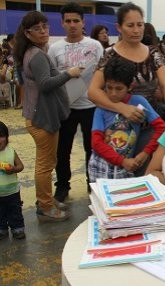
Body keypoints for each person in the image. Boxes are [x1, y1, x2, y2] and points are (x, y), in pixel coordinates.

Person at [88, 2, 165, 175]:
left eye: (140, 25)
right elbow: (93, 91)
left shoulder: (154, 53)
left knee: (145, 174)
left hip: (148, 126)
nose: (136, 30)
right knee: (113, 174)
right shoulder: (110, 54)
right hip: (113, 127)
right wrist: (122, 108)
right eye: (130, 25)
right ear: (119, 27)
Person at [13, 11, 82, 221]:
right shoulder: (37, 55)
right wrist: (68, 74)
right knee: (45, 165)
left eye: (45, 26)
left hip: (39, 115)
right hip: (41, 118)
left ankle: (47, 200)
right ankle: (45, 206)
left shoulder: (31, 52)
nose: (43, 31)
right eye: (37, 28)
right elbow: (45, 84)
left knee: (47, 162)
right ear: (27, 33)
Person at [48, 2, 104, 202]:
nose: (72, 24)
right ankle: (62, 186)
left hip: (91, 107)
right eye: (68, 21)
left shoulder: (95, 46)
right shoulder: (54, 49)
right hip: (65, 108)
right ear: (62, 23)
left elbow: (102, 73)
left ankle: (92, 184)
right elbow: (51, 80)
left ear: (83, 22)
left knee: (92, 148)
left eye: (76, 21)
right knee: (62, 150)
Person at [88, 57, 165, 182]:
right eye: (109, 87)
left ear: (130, 86)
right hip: (100, 166)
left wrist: (145, 153)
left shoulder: (138, 102)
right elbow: (96, 143)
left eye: (119, 89)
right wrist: (122, 161)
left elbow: (161, 127)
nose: (113, 93)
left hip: (126, 167)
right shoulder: (101, 108)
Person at [0, 121, 25, 240]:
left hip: (12, 191)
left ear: (6, 137)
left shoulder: (11, 151)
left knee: (15, 210)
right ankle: (1, 229)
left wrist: (13, 169)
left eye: (1, 136)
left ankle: (17, 228)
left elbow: (21, 166)